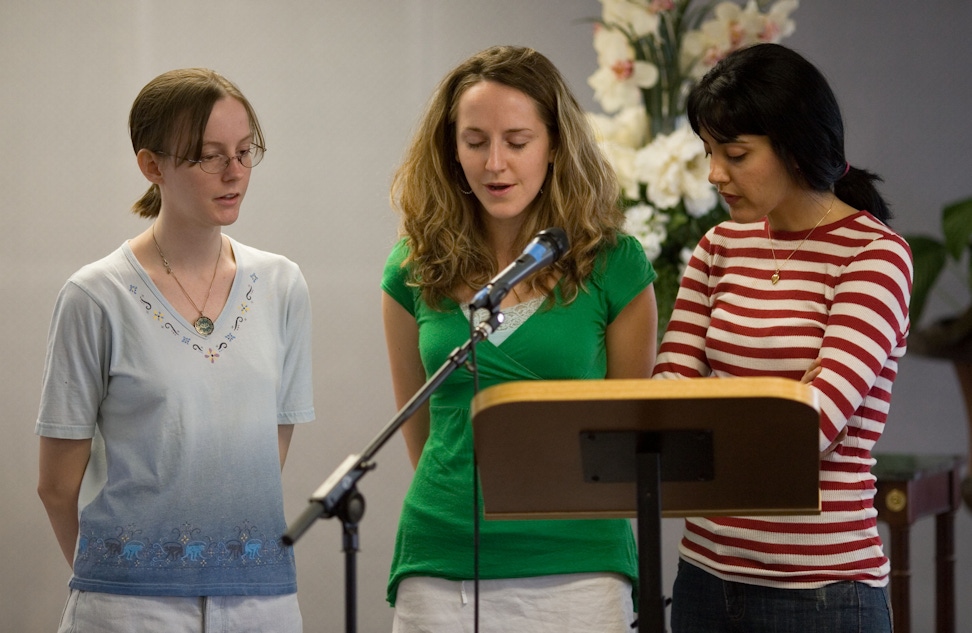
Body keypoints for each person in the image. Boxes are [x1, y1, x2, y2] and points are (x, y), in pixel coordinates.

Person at [381, 45, 658, 632]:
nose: (494, 164)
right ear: (451, 150)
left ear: (555, 144)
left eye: (517, 140)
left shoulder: (616, 265)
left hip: (578, 567)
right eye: (475, 141)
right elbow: (423, 435)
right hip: (440, 561)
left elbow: (628, 439)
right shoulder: (413, 268)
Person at [35, 68, 314, 633]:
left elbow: (265, 452)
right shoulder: (95, 296)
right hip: (127, 606)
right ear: (151, 165)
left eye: (243, 151)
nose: (234, 172)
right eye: (209, 155)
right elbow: (56, 484)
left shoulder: (282, 285)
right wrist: (116, 579)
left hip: (263, 603)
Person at [651, 43, 911, 633]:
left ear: (796, 146)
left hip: (823, 592)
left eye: (736, 154)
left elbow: (810, 427)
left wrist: (703, 421)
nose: (716, 174)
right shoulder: (718, 247)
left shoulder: (873, 255)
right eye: (710, 152)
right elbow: (668, 394)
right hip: (704, 574)